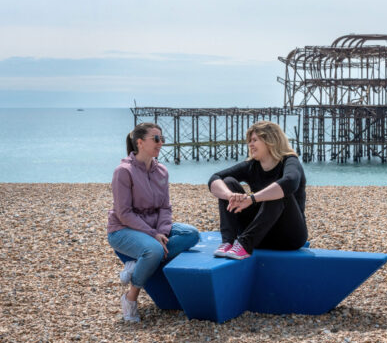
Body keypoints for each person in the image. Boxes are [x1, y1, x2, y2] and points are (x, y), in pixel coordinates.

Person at [107, 122, 199, 322]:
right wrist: (152, 234)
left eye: (162, 139)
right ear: (140, 142)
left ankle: (138, 264)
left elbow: (165, 207)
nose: (161, 143)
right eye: (156, 139)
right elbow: (123, 213)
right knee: (155, 250)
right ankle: (131, 297)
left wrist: (163, 233)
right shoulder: (123, 171)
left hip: (155, 229)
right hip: (123, 229)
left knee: (192, 234)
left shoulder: (162, 171)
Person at [208, 120, 308, 260]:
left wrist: (252, 199)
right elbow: (215, 178)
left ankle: (244, 244)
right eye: (250, 141)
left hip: (289, 236)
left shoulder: (289, 161)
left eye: (255, 140)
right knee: (228, 182)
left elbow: (290, 182)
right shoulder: (252, 166)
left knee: (279, 191)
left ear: (270, 140)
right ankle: (228, 242)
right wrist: (230, 195)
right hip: (258, 235)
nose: (250, 144)